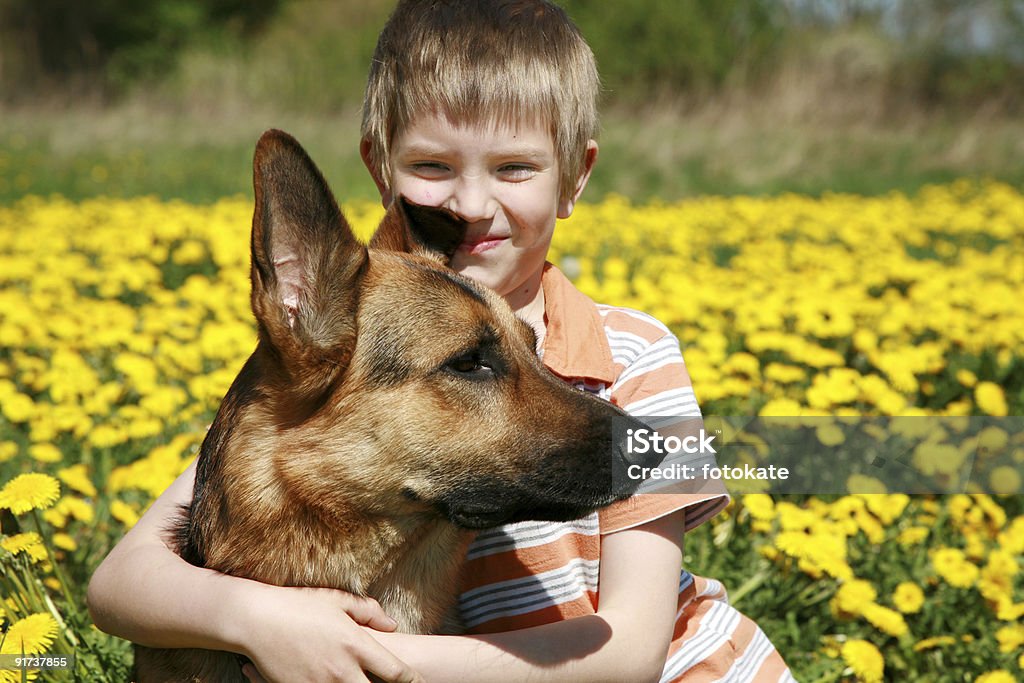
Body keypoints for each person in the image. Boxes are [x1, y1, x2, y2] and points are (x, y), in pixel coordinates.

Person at [88, 1, 794, 681]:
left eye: (514, 168)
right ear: (382, 169)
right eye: (433, 168)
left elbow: (632, 654)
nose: (471, 203)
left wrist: (368, 662)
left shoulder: (638, 353)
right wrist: (261, 620)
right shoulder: (334, 370)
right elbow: (123, 580)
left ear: (575, 176)